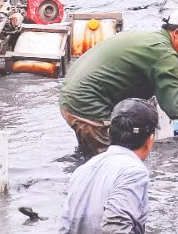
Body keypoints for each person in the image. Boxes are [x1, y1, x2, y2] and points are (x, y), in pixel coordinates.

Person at [59, 8, 178, 160]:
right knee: (119, 167)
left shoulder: (150, 41)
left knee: (89, 161)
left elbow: (168, 99)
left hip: (72, 97)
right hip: (88, 108)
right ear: (177, 33)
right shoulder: (164, 54)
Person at [60, 98, 157, 234]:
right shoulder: (134, 172)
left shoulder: (82, 170)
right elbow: (114, 228)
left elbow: (65, 227)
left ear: (110, 133)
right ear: (150, 140)